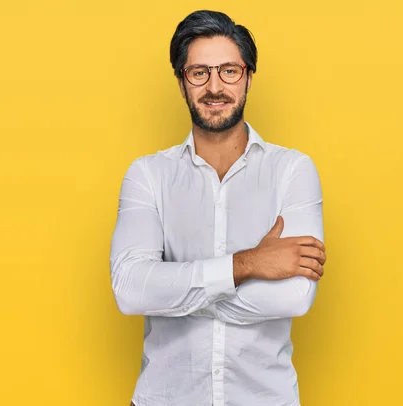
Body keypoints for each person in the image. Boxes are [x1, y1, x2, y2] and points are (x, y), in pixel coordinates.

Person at [109, 10, 327, 406]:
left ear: (247, 77)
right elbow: (130, 290)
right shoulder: (148, 175)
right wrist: (248, 265)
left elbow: (294, 296)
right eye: (199, 73)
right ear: (181, 83)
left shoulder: (292, 171)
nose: (214, 86)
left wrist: (177, 293)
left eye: (228, 71)